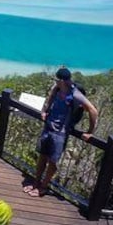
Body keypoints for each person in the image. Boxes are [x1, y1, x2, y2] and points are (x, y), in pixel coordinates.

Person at [24, 67, 98, 197]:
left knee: (52, 161)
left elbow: (93, 110)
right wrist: (45, 111)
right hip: (48, 127)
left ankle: (43, 187)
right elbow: (51, 96)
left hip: (60, 133)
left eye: (57, 80)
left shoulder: (75, 94)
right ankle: (36, 183)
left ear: (62, 81)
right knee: (42, 157)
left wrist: (90, 132)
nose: (55, 82)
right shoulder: (57, 89)